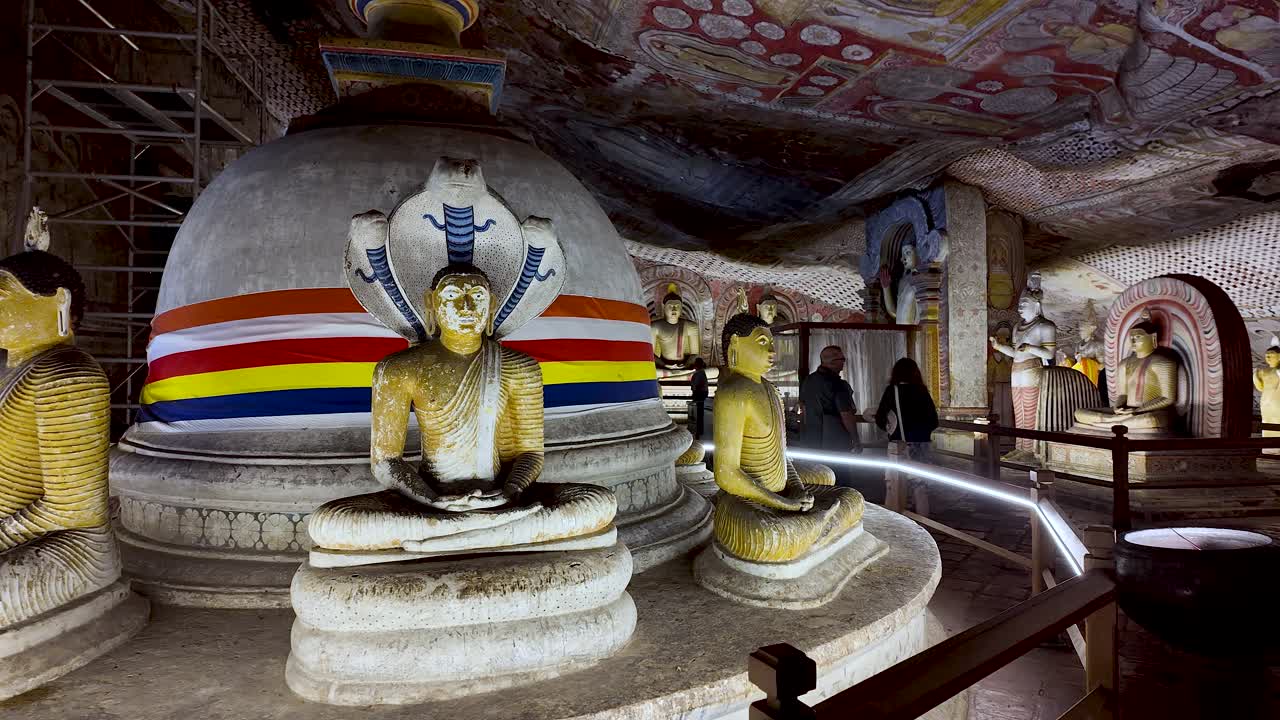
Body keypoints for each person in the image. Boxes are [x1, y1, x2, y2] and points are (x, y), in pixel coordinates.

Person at [875, 358, 939, 513]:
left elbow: (880, 418)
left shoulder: (892, 391)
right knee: (920, 485)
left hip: (899, 444)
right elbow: (933, 421)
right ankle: (924, 522)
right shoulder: (921, 391)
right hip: (921, 444)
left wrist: (891, 428)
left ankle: (897, 518)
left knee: (894, 484)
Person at [799, 345, 864, 455]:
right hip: (835, 443)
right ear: (832, 361)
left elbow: (803, 410)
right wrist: (856, 440)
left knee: (815, 472)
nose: (844, 362)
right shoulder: (838, 384)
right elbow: (846, 415)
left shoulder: (808, 381)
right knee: (838, 472)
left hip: (811, 441)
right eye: (842, 359)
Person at [689, 357, 709, 440]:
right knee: (699, 415)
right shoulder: (700, 373)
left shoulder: (699, 374)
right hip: (700, 395)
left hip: (699, 395)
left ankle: (699, 431)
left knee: (699, 415)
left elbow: (696, 386)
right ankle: (698, 431)